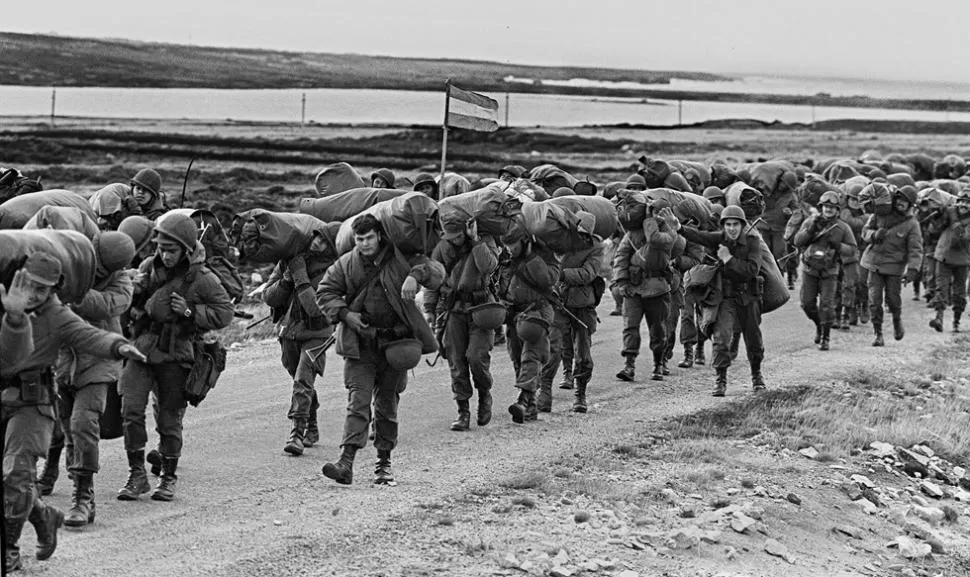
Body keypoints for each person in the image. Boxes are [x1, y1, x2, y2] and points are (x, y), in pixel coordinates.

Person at [2, 252, 145, 572]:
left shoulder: (56, 314)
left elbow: (89, 335)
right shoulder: (6, 300)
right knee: (14, 480)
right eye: (30, 286)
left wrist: (118, 346)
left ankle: (8, 548)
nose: (34, 295)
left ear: (55, 290)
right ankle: (41, 514)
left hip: (32, 400)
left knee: (16, 474)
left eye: (44, 289)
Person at [316, 214, 444, 485]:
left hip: (395, 345)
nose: (363, 243)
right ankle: (346, 463)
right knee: (357, 402)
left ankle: (384, 465)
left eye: (368, 238)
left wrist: (413, 275)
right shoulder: (346, 263)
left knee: (387, 405)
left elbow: (435, 271)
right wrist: (344, 314)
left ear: (380, 236)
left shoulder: (401, 258)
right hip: (360, 344)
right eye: (359, 239)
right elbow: (325, 291)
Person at [117, 213, 233, 502]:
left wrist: (190, 312)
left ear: (186, 249)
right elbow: (125, 302)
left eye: (172, 250)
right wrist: (134, 291)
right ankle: (136, 475)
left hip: (176, 354)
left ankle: (168, 477)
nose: (165, 255)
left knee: (169, 420)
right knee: (130, 409)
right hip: (141, 349)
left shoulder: (202, 278)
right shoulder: (147, 267)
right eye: (161, 248)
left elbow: (224, 313)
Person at [262, 223, 340, 455]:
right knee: (300, 380)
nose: (318, 243)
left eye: (324, 240)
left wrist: (300, 276)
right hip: (289, 332)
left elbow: (315, 308)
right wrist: (287, 278)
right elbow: (269, 297)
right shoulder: (292, 260)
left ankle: (296, 432)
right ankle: (312, 426)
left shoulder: (334, 269)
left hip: (319, 333)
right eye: (316, 237)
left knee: (303, 380)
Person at [675, 205, 766, 396]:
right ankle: (720, 380)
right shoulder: (720, 238)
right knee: (721, 338)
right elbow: (699, 236)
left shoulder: (753, 243)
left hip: (748, 298)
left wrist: (728, 259)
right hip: (725, 298)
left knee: (754, 340)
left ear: (742, 225)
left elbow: (752, 270)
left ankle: (757, 376)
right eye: (728, 224)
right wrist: (679, 228)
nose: (732, 229)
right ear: (723, 226)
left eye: (735, 225)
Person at [432, 217, 500, 430]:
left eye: (459, 236)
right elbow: (432, 279)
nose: (456, 241)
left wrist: (476, 241)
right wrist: (429, 311)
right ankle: (463, 411)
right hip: (454, 310)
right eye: (452, 237)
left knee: (477, 357)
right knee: (456, 361)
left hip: (481, 309)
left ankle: (484, 395)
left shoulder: (485, 241)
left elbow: (489, 266)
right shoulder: (442, 247)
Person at [539, 212, 603, 413]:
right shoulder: (557, 242)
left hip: (583, 305)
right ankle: (545, 391)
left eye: (583, 233)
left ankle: (580, 394)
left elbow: (588, 273)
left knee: (583, 353)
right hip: (558, 302)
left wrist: (560, 274)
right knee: (554, 348)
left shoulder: (595, 248)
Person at [496, 226, 561, 423]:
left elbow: (548, 279)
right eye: (506, 246)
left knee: (531, 355)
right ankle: (531, 405)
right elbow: (499, 283)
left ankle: (523, 400)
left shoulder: (544, 255)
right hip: (514, 312)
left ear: (524, 241)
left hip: (538, 310)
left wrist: (532, 258)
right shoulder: (505, 258)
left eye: (513, 246)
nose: (510, 250)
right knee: (516, 355)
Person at [613, 202, 678, 382]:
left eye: (658, 212)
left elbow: (655, 240)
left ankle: (658, 363)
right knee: (630, 327)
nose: (655, 216)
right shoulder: (632, 234)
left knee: (658, 329)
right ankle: (629, 364)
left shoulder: (669, 231)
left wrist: (653, 220)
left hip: (657, 288)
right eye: (652, 212)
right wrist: (622, 281)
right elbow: (621, 257)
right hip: (634, 288)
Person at [792, 191, 857, 350]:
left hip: (830, 272)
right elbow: (797, 241)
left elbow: (852, 249)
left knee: (826, 306)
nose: (828, 210)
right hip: (810, 270)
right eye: (826, 206)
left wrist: (838, 245)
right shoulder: (810, 221)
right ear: (821, 207)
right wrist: (810, 230)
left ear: (837, 210)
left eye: (832, 207)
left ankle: (825, 337)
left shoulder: (842, 227)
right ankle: (819, 326)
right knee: (807, 304)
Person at [860, 184, 923, 346]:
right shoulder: (880, 214)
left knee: (893, 300)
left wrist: (913, 269)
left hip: (894, 267)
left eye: (906, 201)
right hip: (873, 263)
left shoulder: (911, 224)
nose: (901, 203)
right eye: (899, 199)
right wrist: (873, 235)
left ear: (910, 205)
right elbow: (864, 232)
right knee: (874, 301)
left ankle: (896, 320)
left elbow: (915, 249)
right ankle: (878, 334)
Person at [929, 190, 970, 332]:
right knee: (941, 288)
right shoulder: (948, 211)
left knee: (959, 292)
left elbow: (964, 237)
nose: (964, 205)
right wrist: (938, 215)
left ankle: (956, 321)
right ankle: (938, 317)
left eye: (968, 202)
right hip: (943, 256)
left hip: (963, 260)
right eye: (962, 201)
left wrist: (956, 223)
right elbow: (935, 229)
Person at [839, 186, 869, 326]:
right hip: (847, 251)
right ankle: (848, 310)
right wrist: (864, 219)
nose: (855, 202)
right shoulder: (844, 212)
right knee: (846, 282)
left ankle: (862, 305)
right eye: (852, 198)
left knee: (861, 282)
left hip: (863, 252)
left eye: (858, 200)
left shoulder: (867, 213)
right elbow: (852, 223)